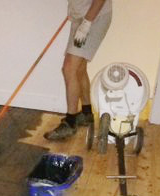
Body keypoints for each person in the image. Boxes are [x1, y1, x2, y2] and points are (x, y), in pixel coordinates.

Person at [44, 0, 112, 140]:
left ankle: (70, 122)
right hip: (82, 17)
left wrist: (86, 23)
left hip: (94, 18)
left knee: (69, 69)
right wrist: (74, 12)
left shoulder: (89, 20)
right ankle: (86, 113)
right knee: (79, 68)